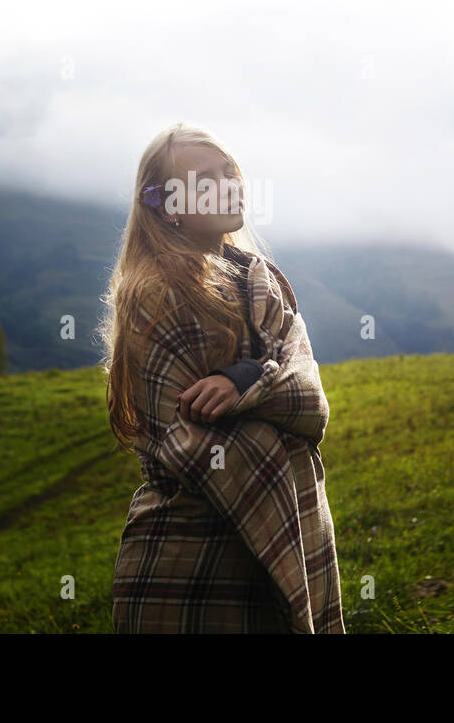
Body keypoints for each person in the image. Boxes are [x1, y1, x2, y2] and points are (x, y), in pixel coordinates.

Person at [96, 121, 345, 633]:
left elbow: (310, 396)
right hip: (189, 561)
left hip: (287, 533)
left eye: (228, 171)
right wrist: (265, 393)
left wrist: (247, 379)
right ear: (168, 205)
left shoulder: (263, 280)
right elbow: (191, 438)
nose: (227, 185)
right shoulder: (154, 295)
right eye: (203, 180)